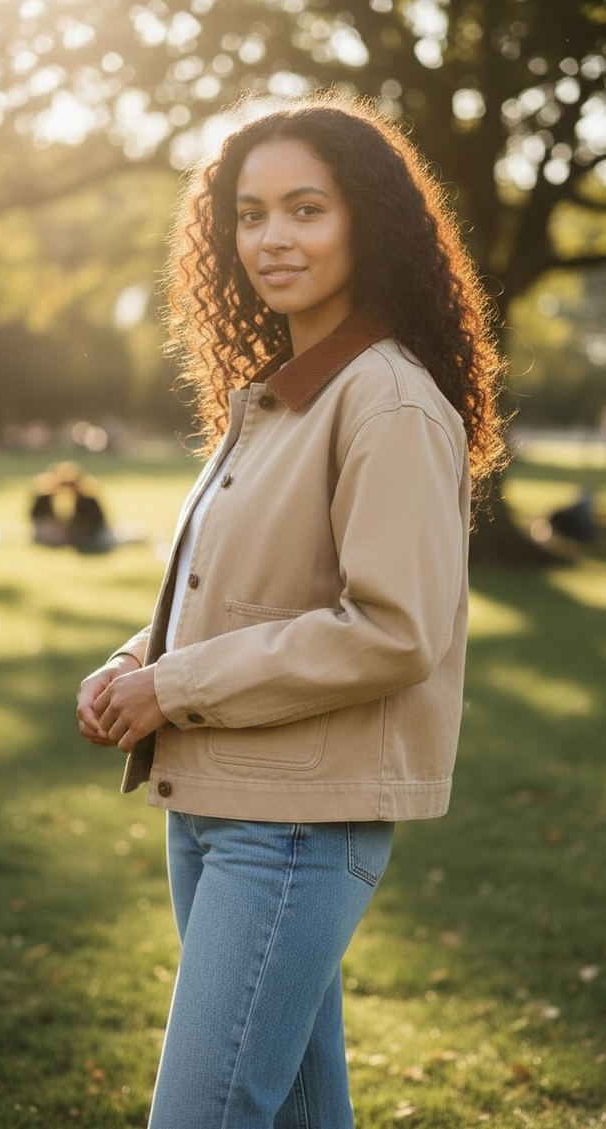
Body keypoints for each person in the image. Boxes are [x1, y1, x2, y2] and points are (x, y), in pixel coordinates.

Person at [76, 96, 507, 1129]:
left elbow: (394, 629)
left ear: (363, 218)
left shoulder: (388, 401)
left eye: (305, 209)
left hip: (297, 825)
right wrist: (134, 656)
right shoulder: (279, 393)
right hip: (218, 803)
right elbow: (246, 585)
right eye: (252, 213)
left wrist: (169, 685)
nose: (273, 238)